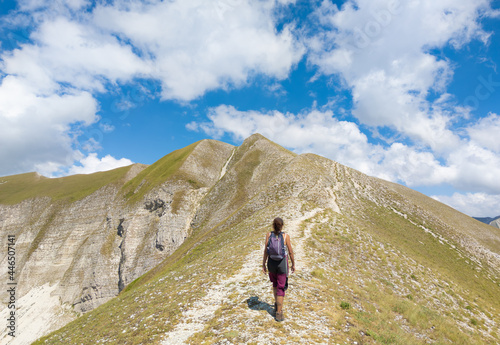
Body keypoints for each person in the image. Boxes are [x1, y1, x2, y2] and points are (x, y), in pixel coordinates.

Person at [262, 217, 295, 321]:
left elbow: (266, 251)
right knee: (281, 287)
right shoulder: (286, 237)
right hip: (282, 264)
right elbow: (290, 252)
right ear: (282, 226)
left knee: (275, 284)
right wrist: (293, 264)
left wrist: (263, 264)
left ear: (273, 225)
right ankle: (279, 313)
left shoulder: (268, 235)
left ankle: (277, 304)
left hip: (271, 263)